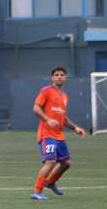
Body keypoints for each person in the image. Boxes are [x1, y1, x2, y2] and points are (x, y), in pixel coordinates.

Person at [30, 66, 87, 200]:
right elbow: (36, 108)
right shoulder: (46, 90)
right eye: (56, 75)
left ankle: (50, 182)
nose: (59, 76)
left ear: (65, 78)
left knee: (66, 163)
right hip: (47, 134)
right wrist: (48, 119)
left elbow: (63, 117)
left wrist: (75, 128)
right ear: (52, 77)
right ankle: (37, 192)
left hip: (59, 135)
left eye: (62, 75)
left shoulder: (64, 96)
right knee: (50, 161)